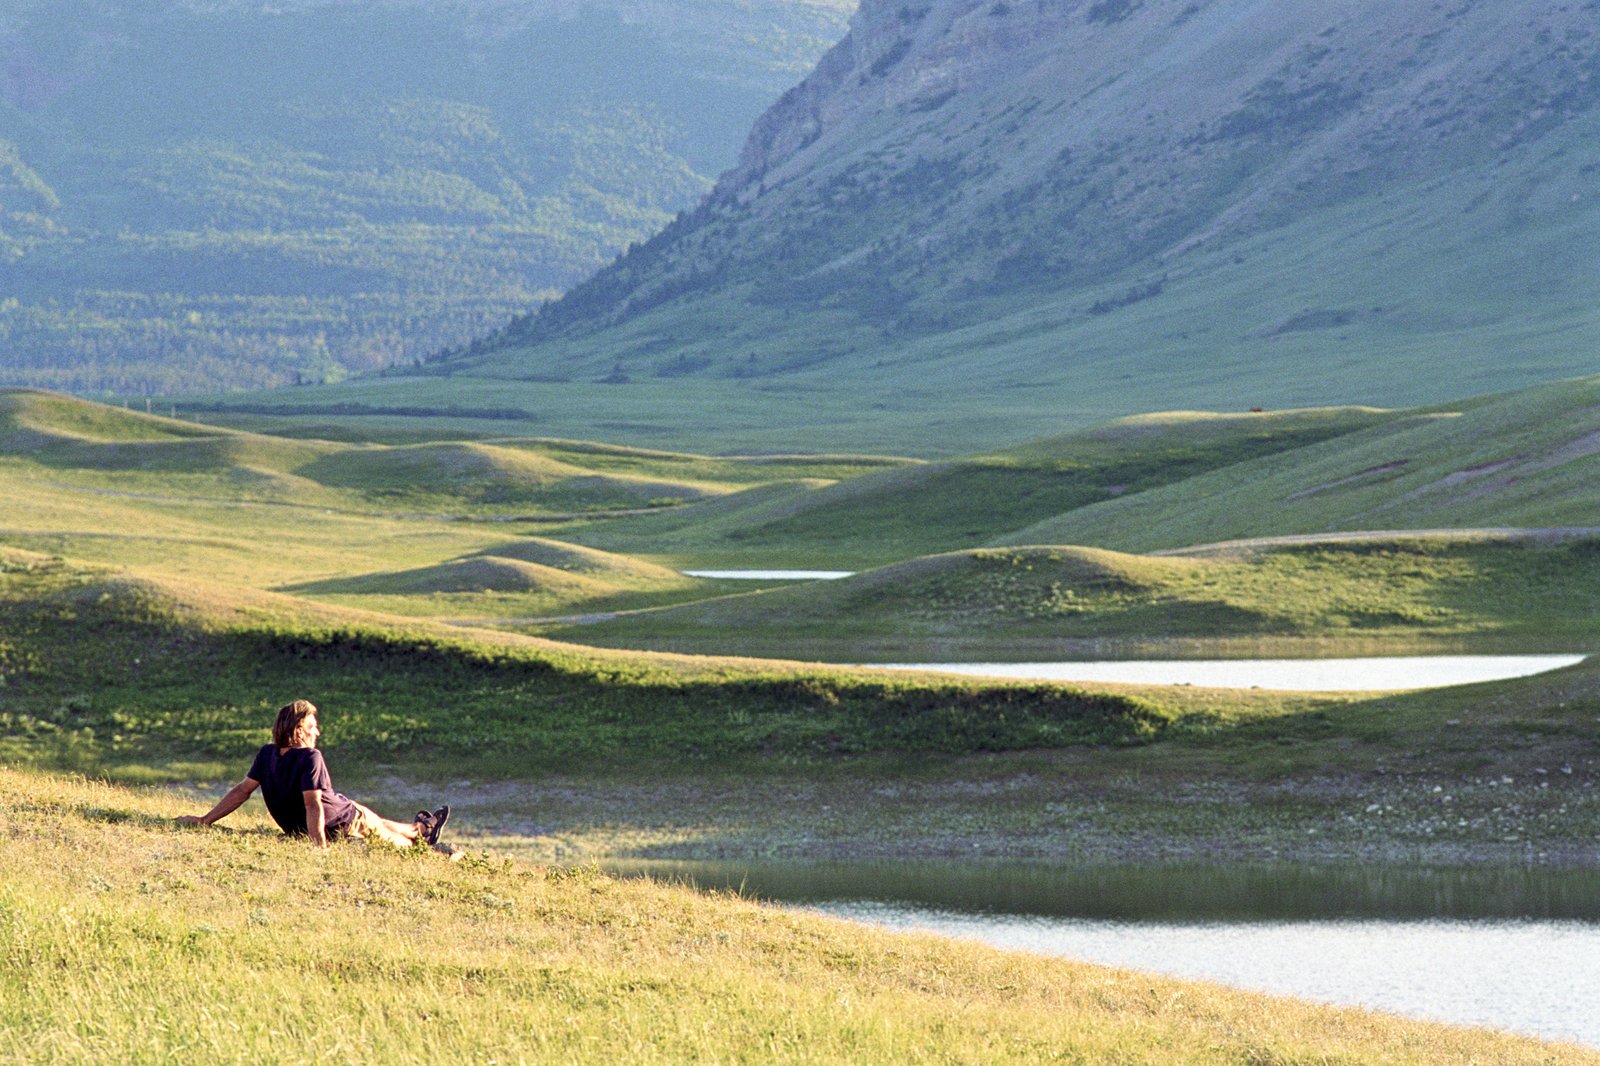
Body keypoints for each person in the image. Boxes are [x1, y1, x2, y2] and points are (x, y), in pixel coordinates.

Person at [177, 699, 449, 849]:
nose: (317, 732)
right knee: (390, 840)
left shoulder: (267, 753)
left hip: (334, 816)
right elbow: (312, 803)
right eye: (312, 726)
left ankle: (421, 827)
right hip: (341, 824)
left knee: (374, 819)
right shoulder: (310, 757)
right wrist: (319, 846)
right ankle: (422, 837)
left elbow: (242, 791)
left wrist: (205, 820)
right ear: (298, 730)